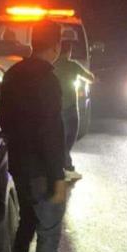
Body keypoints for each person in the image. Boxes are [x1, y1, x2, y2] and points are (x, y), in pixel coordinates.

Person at [0, 21, 74, 252]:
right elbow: (51, 131)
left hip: (19, 166)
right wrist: (59, 176)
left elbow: (3, 119)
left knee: (26, 224)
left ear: (33, 43)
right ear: (56, 46)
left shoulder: (12, 75)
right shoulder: (48, 79)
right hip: (43, 170)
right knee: (49, 233)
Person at [52, 41, 86, 174]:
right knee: (70, 136)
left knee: (59, 136)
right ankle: (65, 162)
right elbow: (90, 78)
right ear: (69, 51)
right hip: (71, 108)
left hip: (56, 108)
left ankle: (63, 162)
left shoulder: (52, 66)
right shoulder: (73, 66)